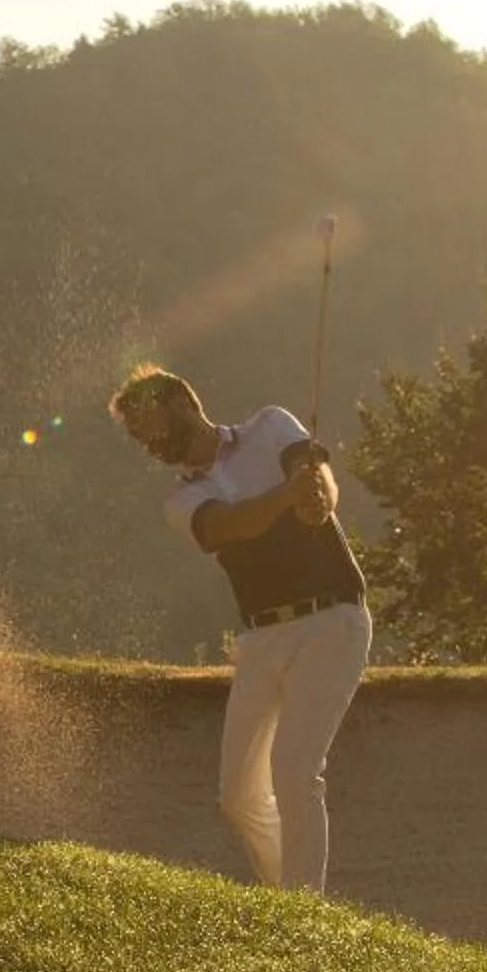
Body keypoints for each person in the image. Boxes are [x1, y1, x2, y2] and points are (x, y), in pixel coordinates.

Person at [110, 364, 370, 890]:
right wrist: (287, 497)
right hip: (261, 638)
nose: (148, 442)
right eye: (138, 436)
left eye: (148, 425)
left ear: (182, 400)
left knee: (295, 774)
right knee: (238, 796)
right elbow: (231, 526)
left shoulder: (271, 426)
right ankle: (287, 896)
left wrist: (317, 494)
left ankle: (303, 910)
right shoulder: (179, 500)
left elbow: (320, 482)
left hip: (331, 621)